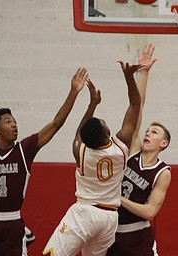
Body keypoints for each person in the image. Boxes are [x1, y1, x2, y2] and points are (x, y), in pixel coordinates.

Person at [0, 67, 88, 256]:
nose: (14, 124)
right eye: (8, 122)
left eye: (15, 121)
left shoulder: (24, 149)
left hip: (11, 222)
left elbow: (56, 123)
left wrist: (73, 91)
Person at [42, 60, 143, 256]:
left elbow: (78, 133)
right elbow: (135, 104)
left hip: (85, 213)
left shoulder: (81, 151)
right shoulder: (121, 148)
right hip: (109, 218)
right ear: (107, 134)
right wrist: (129, 77)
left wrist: (92, 105)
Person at [107, 44, 172, 256]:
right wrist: (144, 73)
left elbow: (150, 211)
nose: (147, 134)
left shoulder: (163, 173)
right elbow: (138, 107)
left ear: (164, 143)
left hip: (137, 237)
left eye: (154, 133)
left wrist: (118, 199)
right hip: (111, 232)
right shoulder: (133, 149)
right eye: (147, 131)